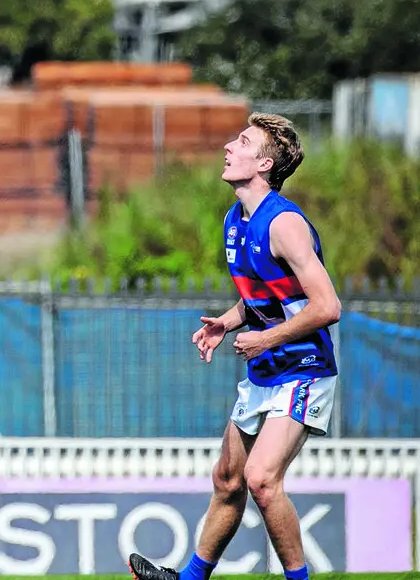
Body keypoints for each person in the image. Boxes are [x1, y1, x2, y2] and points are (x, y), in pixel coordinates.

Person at [130, 113, 342, 580]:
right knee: (228, 480)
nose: (229, 145)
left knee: (261, 480)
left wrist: (266, 337)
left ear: (264, 163)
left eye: (242, 141)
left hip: (303, 369)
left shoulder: (284, 223)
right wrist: (227, 322)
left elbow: (327, 307)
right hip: (266, 370)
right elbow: (264, 298)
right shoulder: (235, 219)